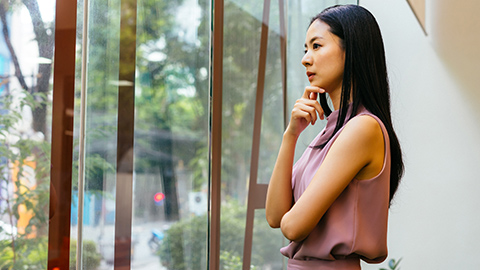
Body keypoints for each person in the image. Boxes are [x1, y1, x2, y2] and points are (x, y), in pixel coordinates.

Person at [265, 5, 404, 270]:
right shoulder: (333, 132)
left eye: (316, 46)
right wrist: (290, 135)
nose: (306, 59)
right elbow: (275, 215)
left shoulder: (363, 128)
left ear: (352, 49)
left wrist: (293, 217)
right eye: (305, 49)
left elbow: (292, 226)